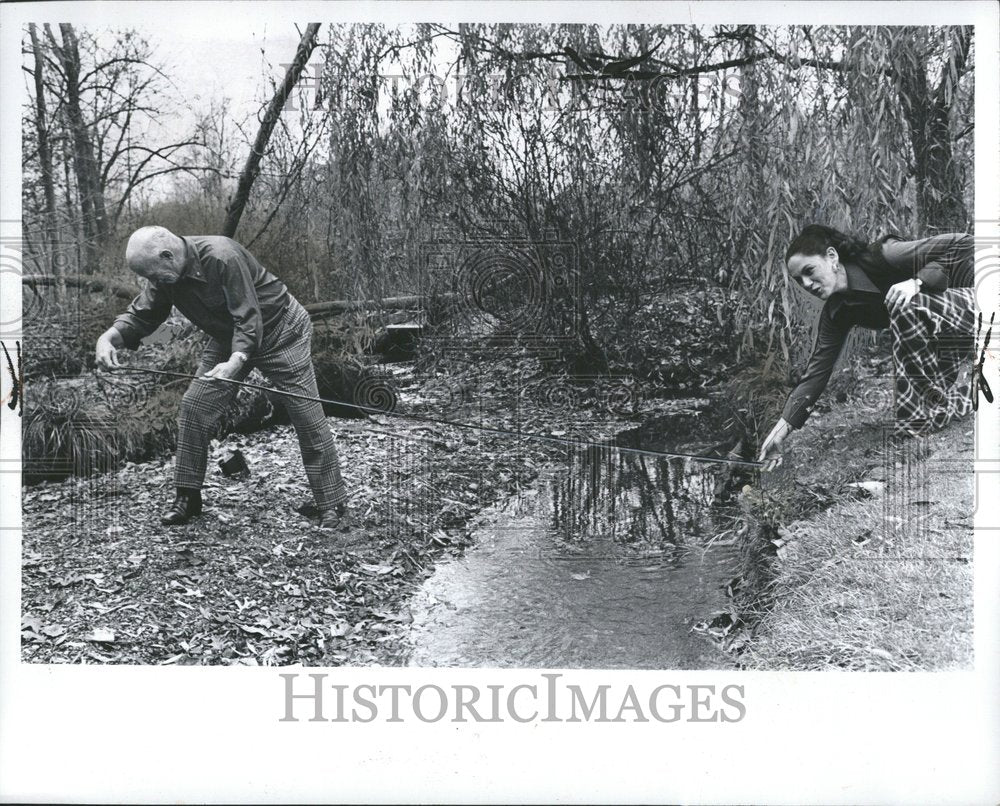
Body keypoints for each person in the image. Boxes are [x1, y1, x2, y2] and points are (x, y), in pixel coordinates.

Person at [95, 226, 352, 533]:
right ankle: (187, 497)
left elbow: (248, 315)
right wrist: (109, 337)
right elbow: (144, 313)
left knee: (306, 414)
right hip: (229, 335)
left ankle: (331, 503)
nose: (153, 283)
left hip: (282, 332)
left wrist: (236, 361)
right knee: (195, 407)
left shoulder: (222, 256)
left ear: (167, 255)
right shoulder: (165, 272)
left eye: (154, 275)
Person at [758, 224, 976, 471]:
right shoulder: (837, 311)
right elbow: (816, 374)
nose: (806, 283)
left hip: (981, 302)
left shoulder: (885, 254)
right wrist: (779, 432)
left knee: (906, 304)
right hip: (949, 336)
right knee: (906, 314)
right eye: (799, 280)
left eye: (809, 271)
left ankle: (922, 421)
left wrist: (917, 282)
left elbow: (967, 243)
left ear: (832, 257)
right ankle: (952, 403)